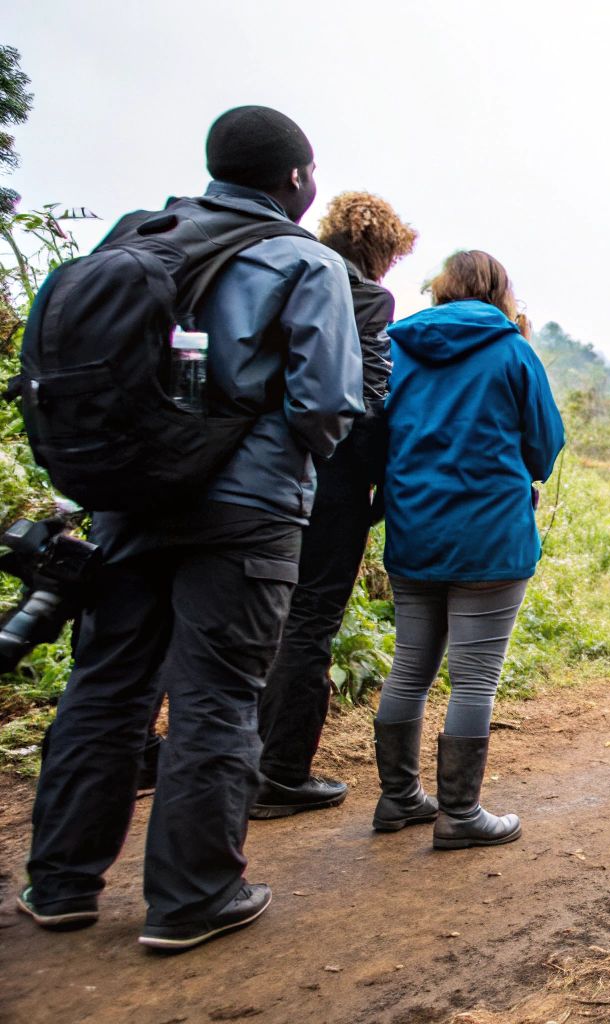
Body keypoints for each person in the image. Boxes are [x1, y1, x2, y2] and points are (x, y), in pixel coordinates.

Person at [20, 106, 363, 950]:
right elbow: (326, 402)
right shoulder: (303, 259)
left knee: (107, 686)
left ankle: (59, 885)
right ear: (296, 179)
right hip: (245, 516)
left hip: (127, 499)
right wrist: (277, 457)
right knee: (216, 695)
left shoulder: (138, 238)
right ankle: (192, 897)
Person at [369, 250, 563, 849]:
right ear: (501, 291)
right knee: (474, 680)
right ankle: (460, 814)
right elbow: (544, 443)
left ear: (441, 290)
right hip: (490, 535)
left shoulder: (396, 347)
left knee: (410, 666)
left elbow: (374, 436)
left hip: (413, 528)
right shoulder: (512, 351)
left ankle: (399, 798)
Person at [252, 192, 417, 818]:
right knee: (310, 619)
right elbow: (369, 401)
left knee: (254, 613)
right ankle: (281, 773)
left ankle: (232, 761)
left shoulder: (280, 268)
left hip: (256, 470)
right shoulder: (368, 297)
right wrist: (377, 487)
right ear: (383, 250)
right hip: (332, 481)